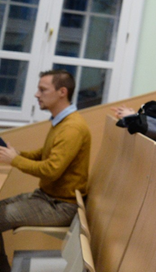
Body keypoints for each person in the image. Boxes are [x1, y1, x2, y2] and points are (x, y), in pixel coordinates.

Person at [0, 70, 91, 272]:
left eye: (42, 90)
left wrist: (15, 160)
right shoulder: (62, 122)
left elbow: (51, 170)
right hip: (48, 198)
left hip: (61, 206)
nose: (36, 94)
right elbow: (44, 154)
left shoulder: (72, 128)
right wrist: (18, 154)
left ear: (62, 92)